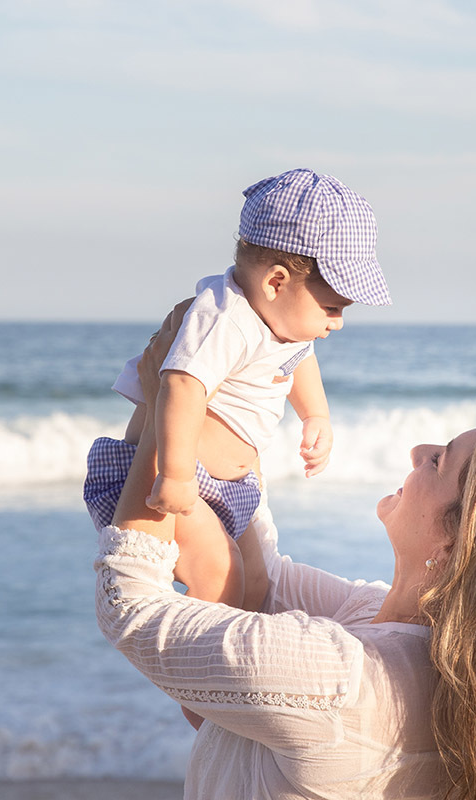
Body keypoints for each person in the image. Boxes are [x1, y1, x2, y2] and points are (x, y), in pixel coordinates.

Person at [91, 307, 476, 800]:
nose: (419, 450)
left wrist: (172, 406)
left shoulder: (342, 679)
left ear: (454, 539)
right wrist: (237, 407)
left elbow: (131, 606)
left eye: (439, 462)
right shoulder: (416, 643)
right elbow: (266, 579)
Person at [84, 168, 391, 610]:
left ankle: (245, 661)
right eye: (331, 307)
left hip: (231, 487)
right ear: (276, 282)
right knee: (219, 572)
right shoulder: (225, 318)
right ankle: (205, 657)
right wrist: (175, 474)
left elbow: (300, 358)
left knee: (257, 585)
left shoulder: (283, 323)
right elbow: (181, 387)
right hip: (172, 473)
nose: (337, 322)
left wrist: (315, 415)